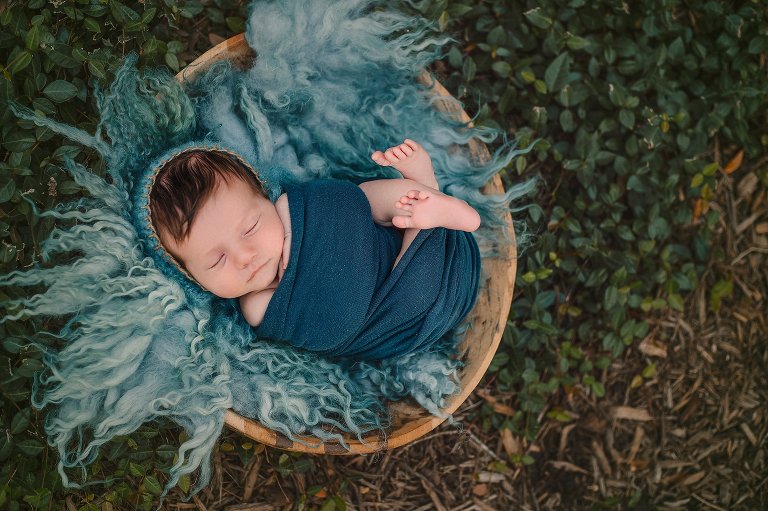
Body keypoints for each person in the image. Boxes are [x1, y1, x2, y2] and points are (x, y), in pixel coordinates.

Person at [149, 139, 482, 358]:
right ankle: (427, 214)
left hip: (409, 243)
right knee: (412, 291)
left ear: (264, 197)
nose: (244, 256)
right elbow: (332, 326)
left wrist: (323, 219)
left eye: (250, 228)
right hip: (414, 308)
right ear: (190, 277)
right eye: (216, 260)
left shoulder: (287, 207)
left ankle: (422, 193)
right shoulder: (256, 305)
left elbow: (340, 202)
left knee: (359, 197)